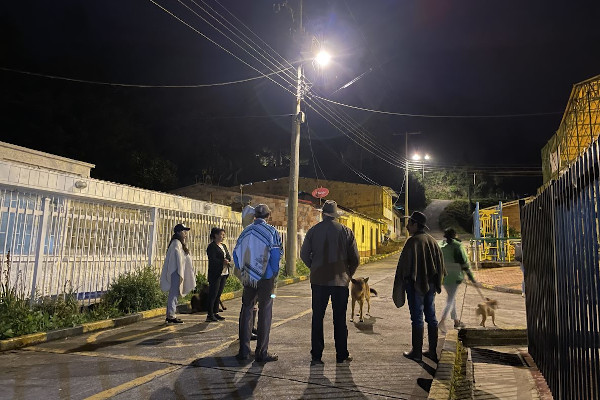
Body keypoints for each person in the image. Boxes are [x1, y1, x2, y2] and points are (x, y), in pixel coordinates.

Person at [300, 200, 360, 364]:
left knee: (317, 318)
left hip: (318, 281)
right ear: (335, 215)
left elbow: (304, 254)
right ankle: (342, 354)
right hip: (340, 282)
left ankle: (316, 356)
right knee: (339, 319)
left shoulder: (313, 231)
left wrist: (314, 267)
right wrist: (348, 275)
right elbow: (355, 259)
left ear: (322, 213)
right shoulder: (346, 231)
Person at [393, 211, 445, 362]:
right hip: (431, 286)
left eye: (409, 224)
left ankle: (416, 352)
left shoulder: (413, 242)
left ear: (416, 224)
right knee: (431, 317)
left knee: (417, 318)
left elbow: (403, 268)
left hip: (415, 286)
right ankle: (432, 352)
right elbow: (440, 266)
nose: (407, 227)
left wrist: (403, 284)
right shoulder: (433, 241)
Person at [233, 204, 283, 362]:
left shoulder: (246, 231)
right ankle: (261, 352)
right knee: (265, 312)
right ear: (268, 216)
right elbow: (275, 255)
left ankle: (244, 351)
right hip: (266, 277)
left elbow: (236, 254)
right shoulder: (272, 232)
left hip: (249, 277)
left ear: (255, 215)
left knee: (246, 310)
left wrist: (243, 270)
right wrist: (274, 272)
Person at [438, 228, 475, 333]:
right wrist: (470, 276)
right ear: (455, 235)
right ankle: (442, 321)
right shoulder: (457, 246)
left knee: (452, 298)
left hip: (444, 276)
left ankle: (456, 321)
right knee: (450, 299)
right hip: (455, 276)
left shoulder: (440, 245)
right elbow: (464, 263)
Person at [160, 223, 196, 324]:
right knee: (174, 294)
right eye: (184, 231)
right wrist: (180, 271)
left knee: (175, 294)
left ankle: (171, 315)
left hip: (177, 271)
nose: (185, 234)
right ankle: (171, 316)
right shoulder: (176, 243)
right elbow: (177, 260)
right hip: (175, 271)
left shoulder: (179, 243)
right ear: (178, 232)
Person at [206, 227, 232, 322]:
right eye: (221, 234)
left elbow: (228, 255)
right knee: (213, 294)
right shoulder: (212, 247)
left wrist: (228, 260)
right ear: (216, 235)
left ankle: (215, 312)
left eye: (223, 234)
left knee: (218, 294)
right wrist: (222, 262)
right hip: (215, 273)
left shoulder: (223, 246)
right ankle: (210, 314)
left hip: (224, 272)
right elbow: (212, 259)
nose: (223, 236)